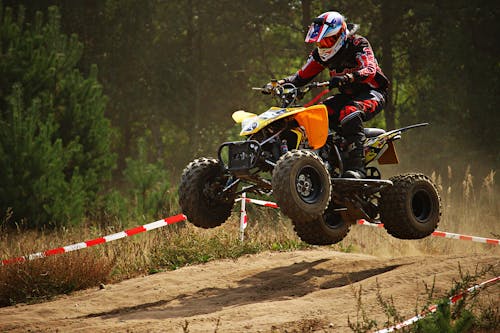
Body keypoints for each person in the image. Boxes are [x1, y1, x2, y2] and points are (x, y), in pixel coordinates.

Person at [268, 11, 390, 179]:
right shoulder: (320, 54)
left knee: (349, 111)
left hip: (373, 92)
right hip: (347, 95)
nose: (323, 45)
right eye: (320, 42)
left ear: (340, 33)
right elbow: (300, 77)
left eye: (327, 40)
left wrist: (348, 77)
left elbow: (370, 69)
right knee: (316, 114)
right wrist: (280, 84)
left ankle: (357, 169)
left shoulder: (357, 43)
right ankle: (325, 162)